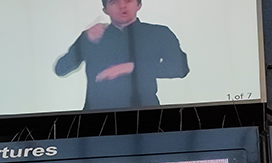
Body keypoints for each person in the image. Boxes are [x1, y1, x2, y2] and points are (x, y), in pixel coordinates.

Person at [54, 0, 189, 111]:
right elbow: (61, 69)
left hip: (145, 116)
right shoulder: (93, 35)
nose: (122, 6)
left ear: (139, 5)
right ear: (105, 10)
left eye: (128, 0)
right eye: (114, 2)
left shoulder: (159, 33)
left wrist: (131, 67)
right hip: (97, 118)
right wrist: (84, 43)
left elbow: (180, 68)